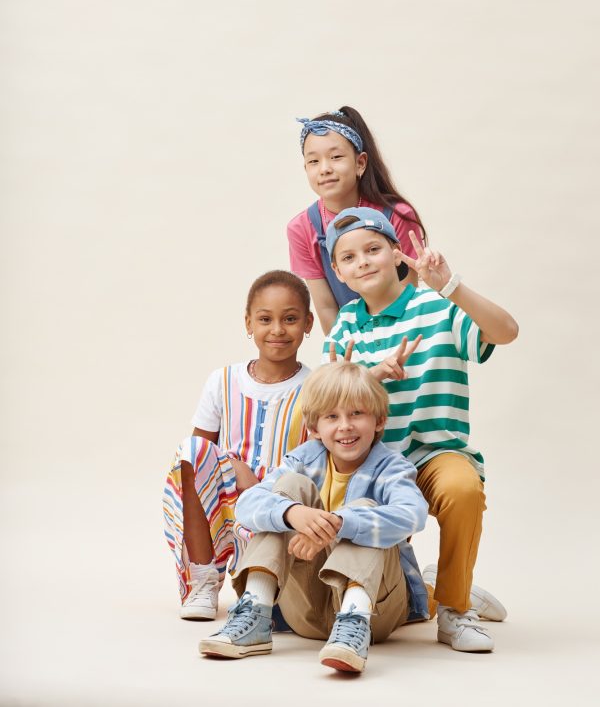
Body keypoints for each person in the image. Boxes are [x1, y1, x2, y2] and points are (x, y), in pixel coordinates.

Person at [322, 207, 519, 652]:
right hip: (372, 465)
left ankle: (454, 609)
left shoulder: (439, 306)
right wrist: (371, 377)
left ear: (397, 253)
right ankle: (439, 588)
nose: (364, 262)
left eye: (373, 249)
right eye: (349, 258)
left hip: (434, 453)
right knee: (391, 600)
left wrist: (450, 285)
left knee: (462, 488)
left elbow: (506, 332)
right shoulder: (347, 324)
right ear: (338, 272)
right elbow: (328, 403)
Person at [199, 361, 429, 674]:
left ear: (379, 420)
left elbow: (413, 514)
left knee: (364, 508)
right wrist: (292, 514)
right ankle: (255, 612)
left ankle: (353, 623)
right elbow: (248, 505)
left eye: (357, 413)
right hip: (304, 608)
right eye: (332, 417)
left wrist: (340, 524)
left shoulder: (391, 467)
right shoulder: (303, 459)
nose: (345, 425)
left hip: (375, 612)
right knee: (284, 495)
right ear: (313, 428)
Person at [162, 270, 314, 620]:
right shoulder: (223, 380)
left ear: (307, 323)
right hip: (228, 505)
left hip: (282, 506)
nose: (277, 329)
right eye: (265, 319)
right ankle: (203, 577)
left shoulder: (316, 385)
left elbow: (318, 459)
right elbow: (199, 456)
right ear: (248, 323)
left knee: (275, 614)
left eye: (290, 319)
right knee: (190, 451)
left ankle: (265, 581)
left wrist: (266, 488)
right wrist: (233, 467)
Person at [287, 107, 426, 334]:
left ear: (360, 163)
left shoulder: (398, 216)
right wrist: (349, 362)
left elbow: (408, 297)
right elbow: (326, 308)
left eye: (336, 157)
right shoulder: (301, 228)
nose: (325, 169)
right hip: (350, 346)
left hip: (402, 337)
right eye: (313, 161)